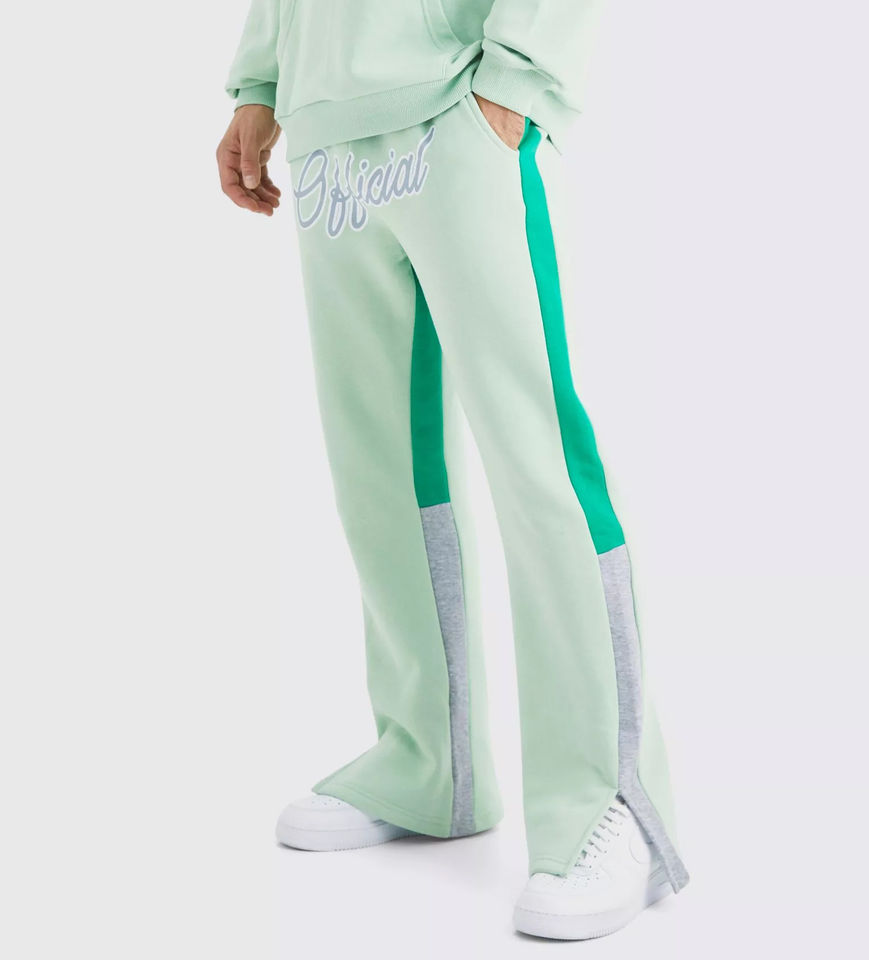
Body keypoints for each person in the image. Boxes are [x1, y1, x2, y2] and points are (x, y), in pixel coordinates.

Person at [217, 0, 689, 940]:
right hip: (327, 128)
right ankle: (430, 764)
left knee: (538, 460)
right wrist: (263, 81)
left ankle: (614, 799)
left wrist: (518, 77)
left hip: (455, 104)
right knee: (381, 466)